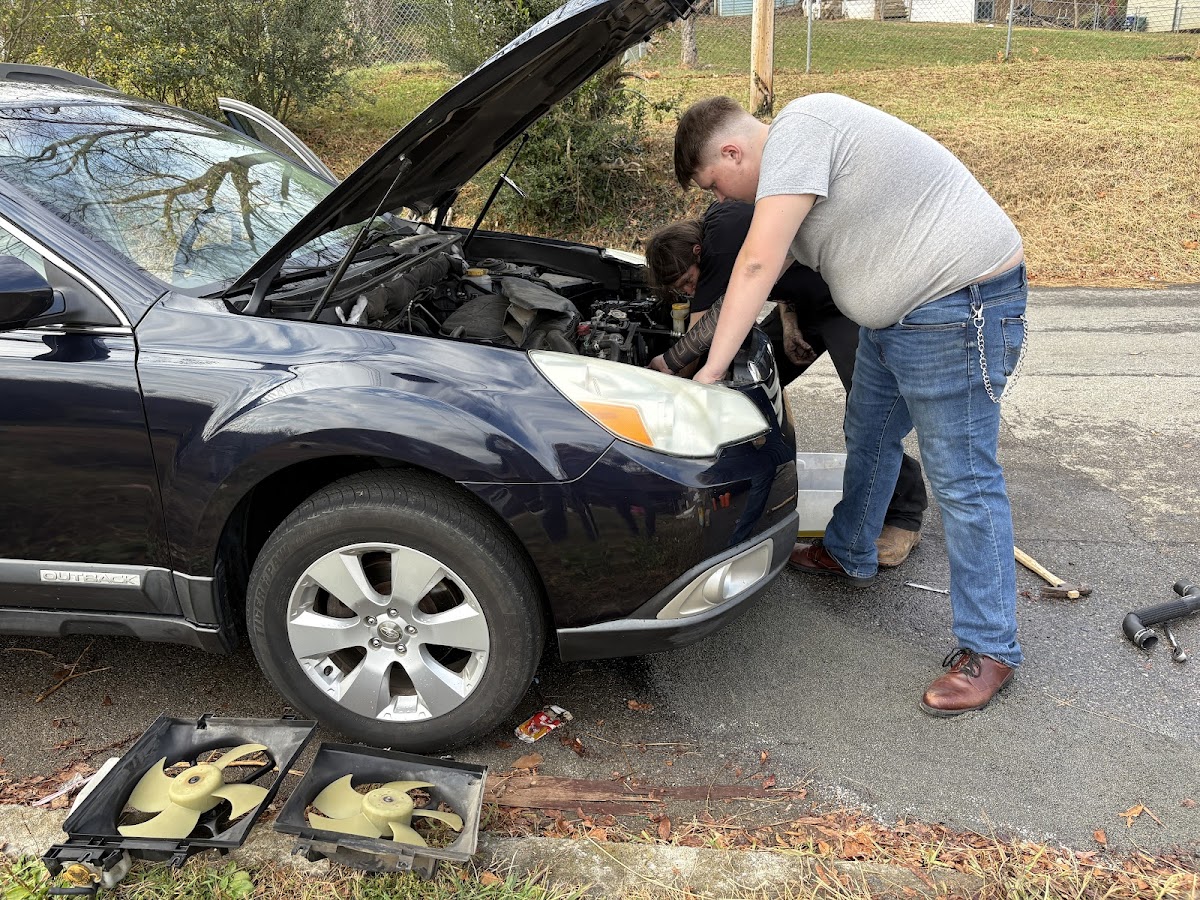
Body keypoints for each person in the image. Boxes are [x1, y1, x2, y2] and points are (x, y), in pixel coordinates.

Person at [671, 93, 1028, 716]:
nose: (722, 200)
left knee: (964, 480)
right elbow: (774, 267)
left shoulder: (802, 130)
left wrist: (711, 371)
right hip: (902, 319)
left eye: (716, 185)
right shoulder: (794, 166)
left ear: (733, 150)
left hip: (955, 307)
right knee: (868, 433)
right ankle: (851, 548)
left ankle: (991, 648)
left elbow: (754, 266)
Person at [643, 201, 926, 567]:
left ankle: (906, 513)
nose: (690, 291)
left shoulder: (721, 237)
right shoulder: (724, 236)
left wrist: (665, 389)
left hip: (843, 306)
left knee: (870, 416)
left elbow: (704, 335)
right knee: (748, 381)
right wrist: (790, 323)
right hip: (808, 302)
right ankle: (746, 486)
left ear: (697, 253)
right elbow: (782, 271)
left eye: (687, 281)